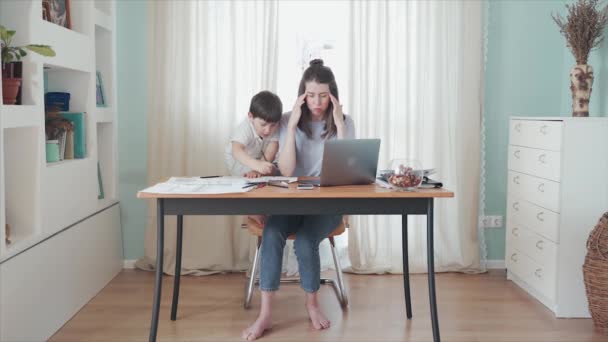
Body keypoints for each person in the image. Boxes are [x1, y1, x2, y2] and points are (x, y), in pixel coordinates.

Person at [242, 59, 355, 341]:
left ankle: (312, 305)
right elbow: (289, 170)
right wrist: (291, 128)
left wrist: (340, 126)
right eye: (311, 95)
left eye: (324, 95)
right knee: (271, 233)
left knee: (305, 240)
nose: (317, 101)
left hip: (328, 202)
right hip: (292, 199)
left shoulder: (345, 122)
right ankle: (265, 314)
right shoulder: (289, 120)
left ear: (333, 95)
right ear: (302, 95)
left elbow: (345, 173)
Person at [225, 90, 282, 225]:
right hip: (239, 159)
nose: (268, 130)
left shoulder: (274, 128)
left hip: (257, 155)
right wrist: (255, 165)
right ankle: (251, 211)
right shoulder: (245, 128)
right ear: (251, 116)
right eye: (263, 125)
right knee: (248, 183)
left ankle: (270, 211)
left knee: (271, 172)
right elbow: (237, 150)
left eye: (273, 125)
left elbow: (272, 148)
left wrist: (261, 167)